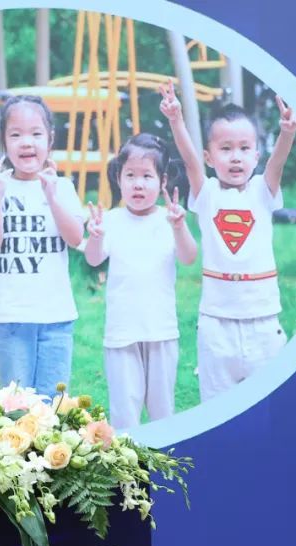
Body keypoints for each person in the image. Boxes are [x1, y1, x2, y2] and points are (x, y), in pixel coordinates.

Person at [158, 82, 296, 401]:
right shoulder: (206, 194)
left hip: (264, 321)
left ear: (256, 155)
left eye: (244, 148)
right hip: (216, 323)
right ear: (210, 157)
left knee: (269, 407)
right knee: (217, 403)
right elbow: (189, 161)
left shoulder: (263, 191)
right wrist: (176, 119)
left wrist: (287, 132)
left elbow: (277, 162)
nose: (236, 157)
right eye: (226, 149)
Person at [0, 95, 85, 398]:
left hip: (56, 316)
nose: (26, 142)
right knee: (16, 403)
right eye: (16, 134)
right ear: (4, 141)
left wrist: (52, 197)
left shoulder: (62, 187)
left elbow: (75, 238)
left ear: (50, 139)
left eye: (36, 134)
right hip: (12, 315)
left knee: (54, 404)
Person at [83, 134, 197, 430]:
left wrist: (180, 227)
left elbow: (189, 257)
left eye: (147, 176)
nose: (138, 184)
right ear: (118, 178)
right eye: (130, 175)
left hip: (161, 331)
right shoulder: (111, 220)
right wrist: (95, 237)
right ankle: (128, 462)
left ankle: (164, 457)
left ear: (162, 181)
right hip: (122, 333)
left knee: (162, 411)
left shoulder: (169, 219)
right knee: (124, 414)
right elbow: (93, 260)